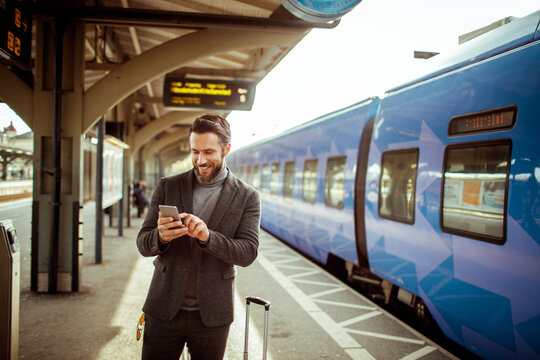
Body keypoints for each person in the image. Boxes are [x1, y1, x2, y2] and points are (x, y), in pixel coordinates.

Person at [136, 114, 261, 360]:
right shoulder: (168, 186)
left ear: (226, 149)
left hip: (212, 316)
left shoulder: (247, 196)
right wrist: (160, 237)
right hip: (163, 307)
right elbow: (143, 243)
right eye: (195, 151)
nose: (200, 160)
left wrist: (207, 237)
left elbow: (247, 252)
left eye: (208, 152)